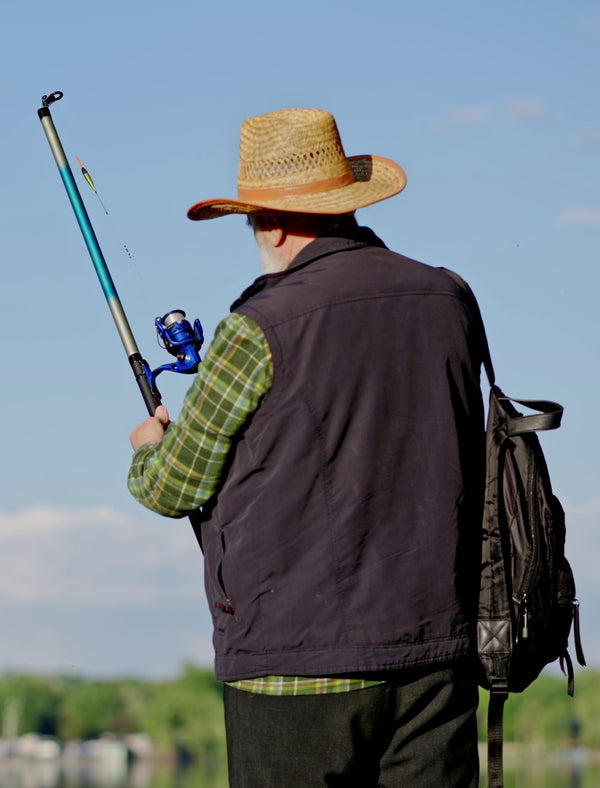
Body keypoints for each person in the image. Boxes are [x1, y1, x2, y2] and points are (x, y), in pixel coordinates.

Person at [127, 108, 484, 787]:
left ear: (272, 221)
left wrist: (149, 446)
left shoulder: (255, 326)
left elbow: (171, 488)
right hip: (436, 647)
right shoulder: (449, 299)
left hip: (292, 660)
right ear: (347, 205)